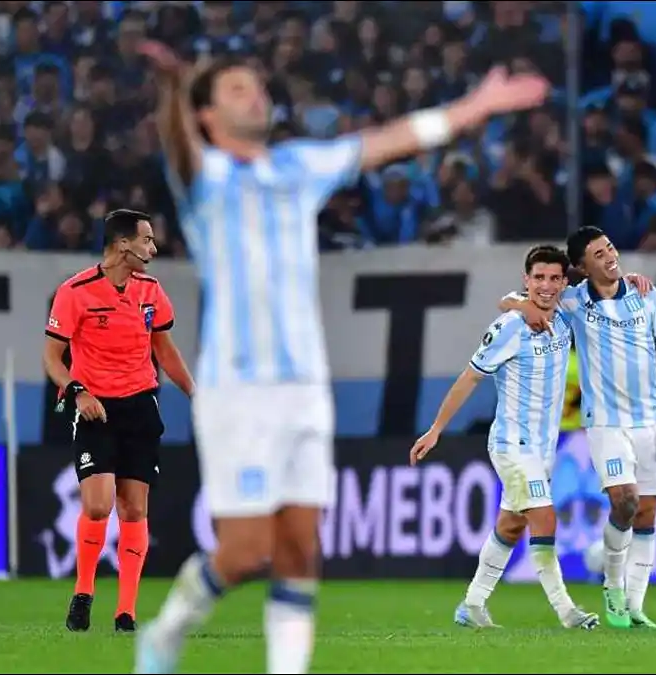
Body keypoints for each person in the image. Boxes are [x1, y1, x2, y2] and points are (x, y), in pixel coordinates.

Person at [134, 40, 548, 674]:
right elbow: (179, 148)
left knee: (302, 550)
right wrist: (171, 93)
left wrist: (477, 105)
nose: (256, 96)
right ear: (207, 117)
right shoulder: (208, 179)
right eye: (236, 90)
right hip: (237, 389)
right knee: (243, 553)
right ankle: (168, 630)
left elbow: (391, 139)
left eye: (258, 86)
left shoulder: (299, 166)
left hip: (304, 389)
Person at [500, 226, 656, 630]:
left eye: (609, 248)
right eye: (598, 253)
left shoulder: (646, 295)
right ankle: (612, 584)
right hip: (606, 421)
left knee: (647, 512)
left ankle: (636, 606)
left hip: (653, 419)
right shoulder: (572, 301)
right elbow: (512, 300)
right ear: (581, 268)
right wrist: (520, 306)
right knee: (624, 500)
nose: (609, 256)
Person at [409, 245, 599, 631]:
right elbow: (470, 378)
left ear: (564, 282)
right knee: (544, 517)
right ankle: (567, 612)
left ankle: (472, 605)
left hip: (543, 449)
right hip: (512, 446)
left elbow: (590, 290)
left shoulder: (563, 318)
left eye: (553, 278)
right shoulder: (509, 328)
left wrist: (516, 302)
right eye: (538, 278)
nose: (545, 286)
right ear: (526, 279)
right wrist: (436, 428)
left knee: (511, 525)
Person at [42, 208, 194, 633]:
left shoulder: (150, 290)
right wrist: (77, 391)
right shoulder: (75, 291)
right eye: (147, 239)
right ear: (123, 244)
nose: (153, 247)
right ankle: (84, 591)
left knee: (133, 508)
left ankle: (125, 611)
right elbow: (52, 358)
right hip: (95, 407)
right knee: (97, 504)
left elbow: (164, 351)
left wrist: (195, 393)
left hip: (140, 407)